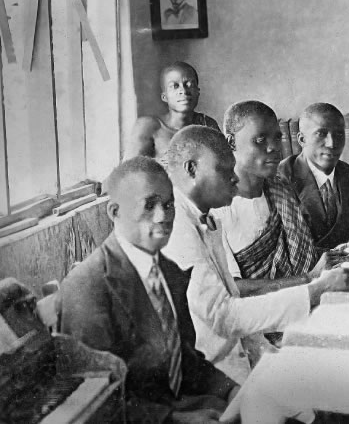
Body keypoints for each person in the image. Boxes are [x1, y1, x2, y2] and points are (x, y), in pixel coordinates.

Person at [162, 126, 349, 384]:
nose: (234, 178)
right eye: (224, 169)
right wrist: (315, 290)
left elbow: (234, 308)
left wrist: (275, 357)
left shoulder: (205, 217)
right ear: (192, 169)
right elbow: (225, 317)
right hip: (215, 375)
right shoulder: (176, 226)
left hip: (244, 354)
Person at [60, 156, 237, 423]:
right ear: (115, 212)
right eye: (149, 205)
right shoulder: (88, 287)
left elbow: (185, 359)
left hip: (186, 404)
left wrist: (231, 389)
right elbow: (99, 401)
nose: (163, 216)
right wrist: (177, 420)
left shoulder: (167, 270)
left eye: (168, 205)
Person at [216, 100, 320, 288]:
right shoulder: (217, 208)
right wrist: (309, 279)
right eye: (260, 140)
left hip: (299, 299)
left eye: (277, 138)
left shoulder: (280, 190)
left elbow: (299, 253)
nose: (274, 148)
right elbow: (232, 287)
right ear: (231, 142)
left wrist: (348, 250)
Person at [277, 103, 349, 250]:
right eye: (321, 134)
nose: (332, 143)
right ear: (302, 140)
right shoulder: (282, 177)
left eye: (339, 134)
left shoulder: (347, 173)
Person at [127, 61, 219, 159]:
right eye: (174, 86)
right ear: (164, 97)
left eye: (189, 85)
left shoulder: (207, 124)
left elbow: (225, 166)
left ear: (198, 92)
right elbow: (129, 170)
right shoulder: (149, 126)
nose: (183, 91)